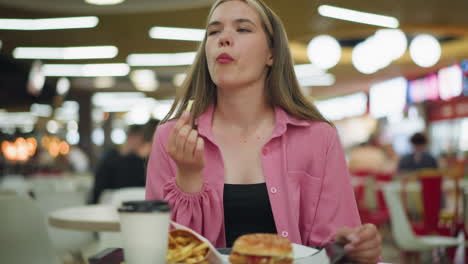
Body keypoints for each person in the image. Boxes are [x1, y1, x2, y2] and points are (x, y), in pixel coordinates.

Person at [146, 0, 381, 263]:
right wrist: (188, 180)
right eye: (213, 32)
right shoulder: (173, 138)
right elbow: (160, 251)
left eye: (243, 29)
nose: (223, 38)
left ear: (271, 53)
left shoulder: (318, 138)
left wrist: (355, 247)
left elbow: (334, 243)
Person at [90, 121, 158, 204]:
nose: (134, 142)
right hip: (115, 202)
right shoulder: (112, 159)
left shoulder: (144, 161)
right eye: (133, 137)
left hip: (121, 202)